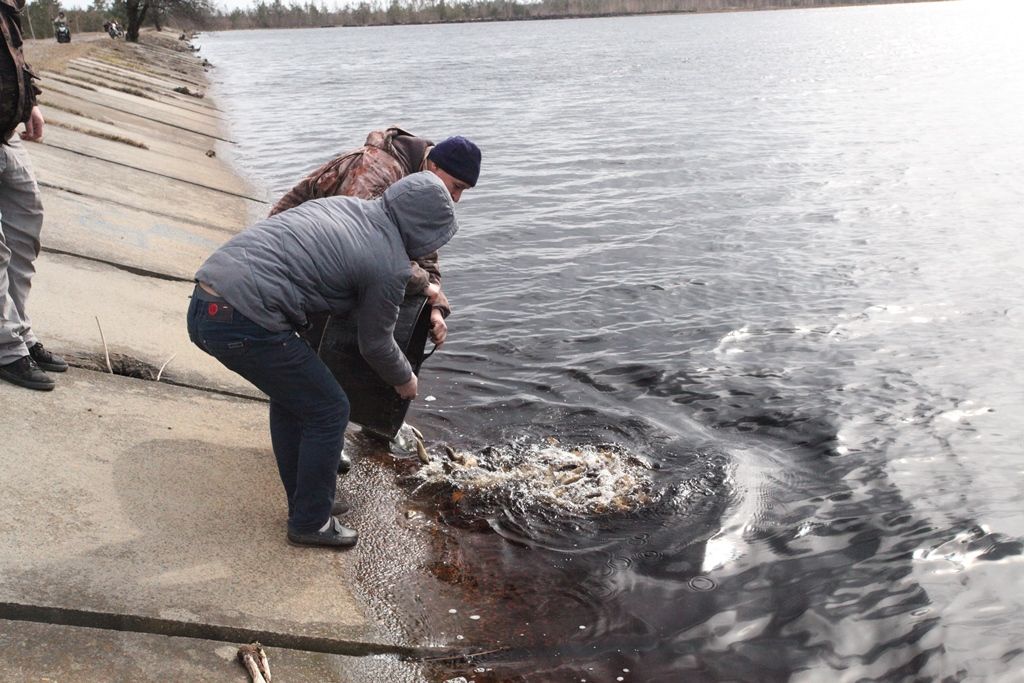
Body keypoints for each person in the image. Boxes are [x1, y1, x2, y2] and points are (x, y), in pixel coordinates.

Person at [187, 172, 459, 548]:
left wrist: (425, 290)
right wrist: (405, 379)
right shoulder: (388, 263)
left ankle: (310, 502)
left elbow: (369, 267)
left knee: (294, 400)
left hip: (206, 304)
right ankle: (311, 523)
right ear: (423, 228)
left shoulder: (347, 207)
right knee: (329, 409)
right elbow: (376, 344)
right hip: (243, 319)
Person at [270, 128, 482, 349]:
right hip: (285, 254)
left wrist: (434, 309)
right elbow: (359, 246)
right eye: (457, 187)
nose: (456, 198)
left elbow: (425, 251)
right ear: (435, 166)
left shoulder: (424, 183)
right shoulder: (377, 173)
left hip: (324, 256)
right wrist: (424, 286)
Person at [0, 0, 68, 392]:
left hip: (7, 135)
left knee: (25, 237)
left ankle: (19, 334)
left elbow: (14, 59)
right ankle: (6, 349)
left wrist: (31, 105)